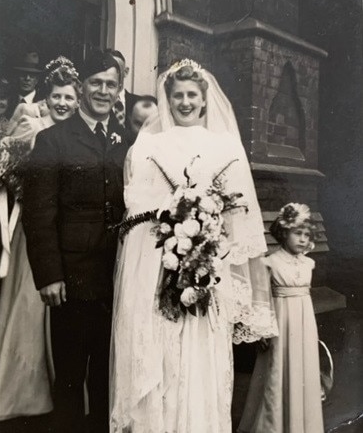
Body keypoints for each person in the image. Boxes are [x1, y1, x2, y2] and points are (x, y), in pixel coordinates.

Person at [109, 59, 278, 432]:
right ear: (167, 100)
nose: (185, 102)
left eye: (192, 96)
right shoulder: (149, 145)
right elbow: (137, 212)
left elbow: (240, 219)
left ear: (204, 101)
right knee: (159, 357)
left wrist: (210, 256)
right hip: (156, 270)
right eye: (178, 96)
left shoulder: (224, 146)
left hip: (207, 273)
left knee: (199, 361)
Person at [23, 48, 130, 433]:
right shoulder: (53, 141)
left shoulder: (125, 141)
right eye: (96, 83)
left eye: (111, 85)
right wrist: (49, 274)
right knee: (69, 379)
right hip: (71, 280)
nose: (103, 91)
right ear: (81, 87)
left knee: (107, 377)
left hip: (116, 279)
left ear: (120, 91)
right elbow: (38, 215)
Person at [0, 56, 80, 421]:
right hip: (34, 229)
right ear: (47, 96)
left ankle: (62, 385)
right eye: (57, 96)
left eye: (69, 98)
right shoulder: (30, 127)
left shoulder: (79, 132)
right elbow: (5, 169)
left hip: (68, 232)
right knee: (30, 306)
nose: (62, 103)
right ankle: (24, 390)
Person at [238, 203, 324, 433]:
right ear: (284, 232)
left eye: (307, 235)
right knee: (278, 369)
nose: (303, 239)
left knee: (302, 368)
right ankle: (275, 425)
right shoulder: (270, 262)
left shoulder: (309, 263)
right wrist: (262, 329)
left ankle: (302, 424)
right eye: (298, 233)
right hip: (280, 321)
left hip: (304, 323)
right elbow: (261, 297)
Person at [8, 50, 46, 119]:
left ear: (37, 80)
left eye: (32, 76)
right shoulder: (9, 100)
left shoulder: (43, 103)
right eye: (23, 75)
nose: (27, 79)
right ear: (17, 77)